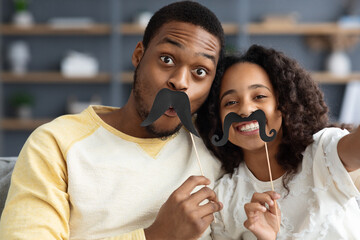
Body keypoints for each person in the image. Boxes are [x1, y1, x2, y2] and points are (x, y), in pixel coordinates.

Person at [0, 1, 226, 239]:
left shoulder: (216, 144)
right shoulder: (56, 143)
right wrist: (156, 235)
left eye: (200, 71)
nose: (180, 82)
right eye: (167, 59)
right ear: (139, 55)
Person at [196, 45, 360, 240]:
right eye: (230, 102)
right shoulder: (223, 199)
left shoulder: (322, 152)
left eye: (259, 96)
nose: (246, 110)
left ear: (284, 104)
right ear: (217, 120)